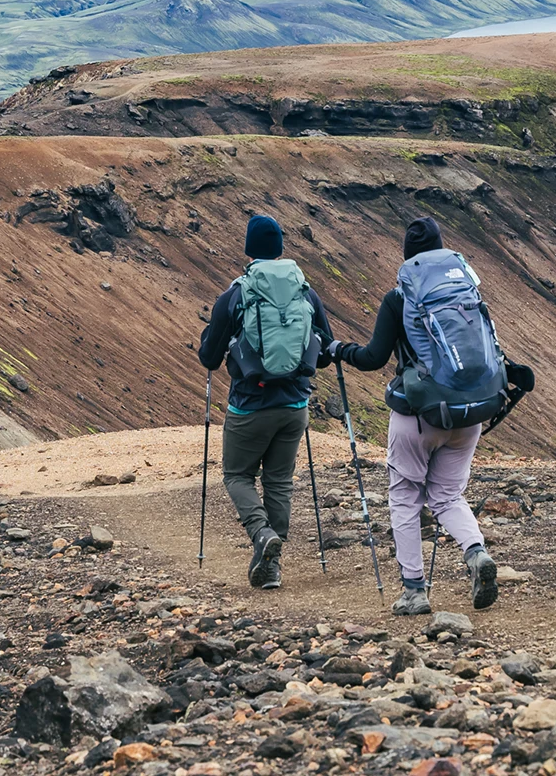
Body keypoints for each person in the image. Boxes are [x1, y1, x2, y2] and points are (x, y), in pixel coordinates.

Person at [330, 216, 502, 616]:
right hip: (468, 413)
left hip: (418, 416)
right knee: (448, 496)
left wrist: (340, 350)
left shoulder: (399, 299)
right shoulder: (466, 291)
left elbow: (373, 358)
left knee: (406, 499)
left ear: (408, 257)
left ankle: (414, 590)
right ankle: (476, 553)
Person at [197, 213, 336, 589]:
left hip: (249, 406)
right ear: (279, 250)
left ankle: (262, 535)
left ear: (249, 250)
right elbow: (324, 353)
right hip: (295, 407)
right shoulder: (305, 292)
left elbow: (209, 358)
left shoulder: (236, 295)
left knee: (237, 475)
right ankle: (272, 566)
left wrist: (214, 335)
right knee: (279, 481)